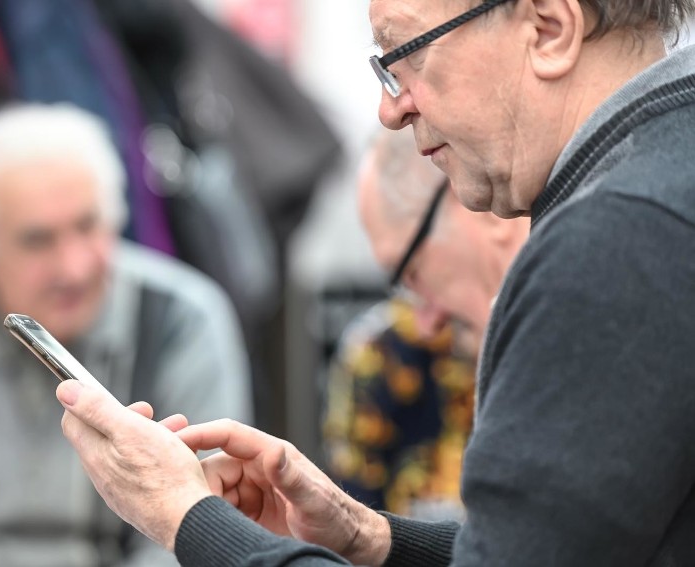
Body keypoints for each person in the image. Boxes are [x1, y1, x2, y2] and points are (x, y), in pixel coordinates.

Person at [57, 1, 695, 565]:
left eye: (405, 54)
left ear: (549, 29)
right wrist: (367, 537)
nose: (391, 108)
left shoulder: (613, 239)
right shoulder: (660, 184)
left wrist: (187, 517)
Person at [0, 103, 252, 566]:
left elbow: (200, 527)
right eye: (37, 240)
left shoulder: (182, 318)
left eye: (87, 225)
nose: (73, 267)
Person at [323, 127, 528, 519]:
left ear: (474, 204)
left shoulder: (591, 325)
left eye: (412, 272)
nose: (426, 321)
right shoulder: (383, 358)